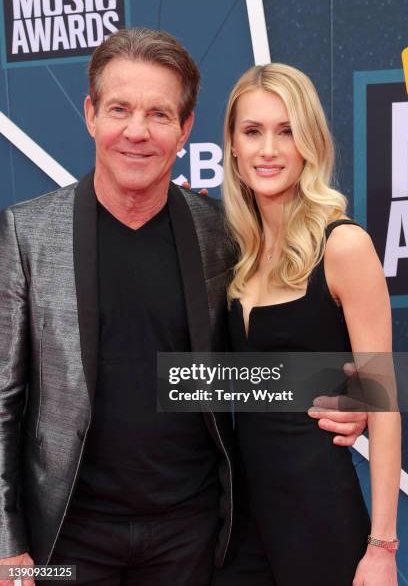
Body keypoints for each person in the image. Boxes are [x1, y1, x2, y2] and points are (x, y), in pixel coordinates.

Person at [0, 29, 367, 586]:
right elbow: (3, 400)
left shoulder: (220, 232)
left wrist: (360, 392)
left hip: (192, 536)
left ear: (185, 129)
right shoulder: (26, 233)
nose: (137, 132)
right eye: (120, 109)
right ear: (90, 115)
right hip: (66, 543)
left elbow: (229, 371)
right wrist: (7, 547)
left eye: (159, 114)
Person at [213, 63, 401, 586]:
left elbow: (383, 405)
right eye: (252, 131)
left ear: (310, 142)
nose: (268, 149)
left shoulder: (344, 246)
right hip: (238, 525)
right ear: (231, 144)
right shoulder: (231, 251)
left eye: (287, 130)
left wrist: (382, 548)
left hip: (319, 516)